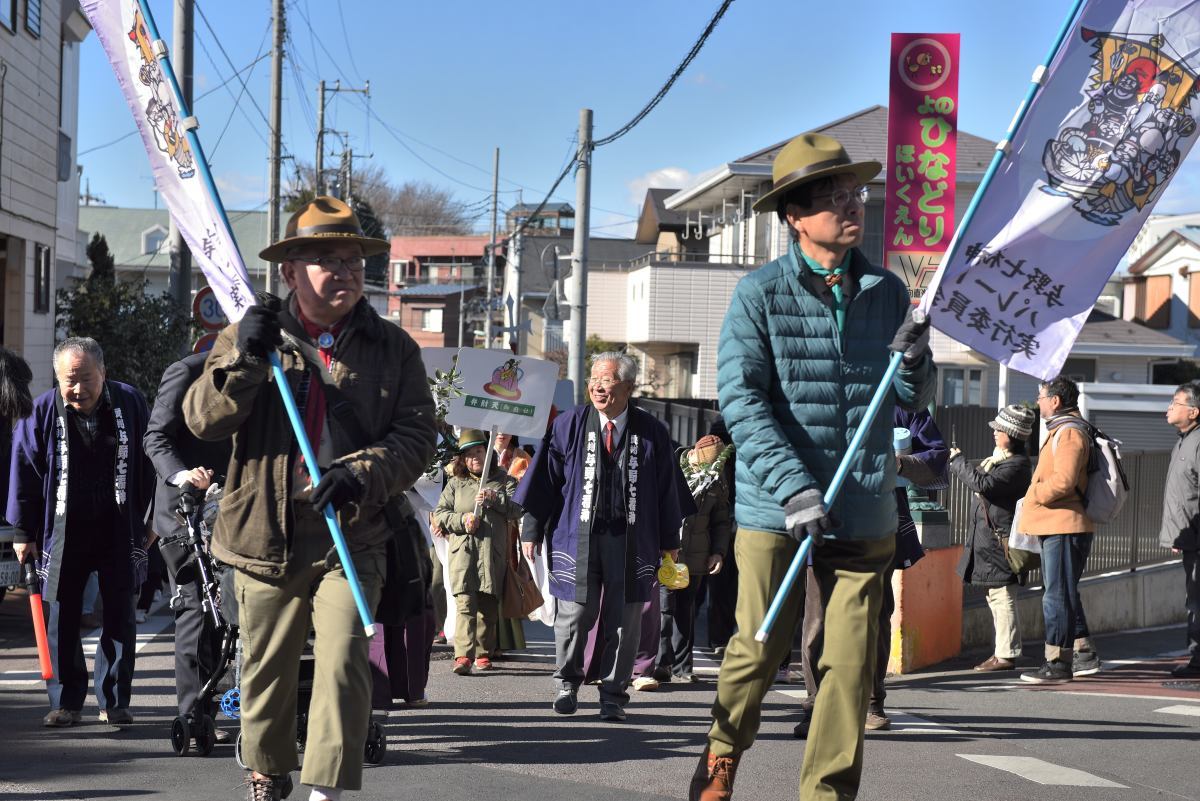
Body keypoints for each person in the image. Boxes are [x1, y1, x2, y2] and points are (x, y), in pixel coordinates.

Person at [689, 132, 934, 801]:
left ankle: (826, 793)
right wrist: (793, 485)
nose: (851, 205)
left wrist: (916, 358)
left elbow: (913, 399)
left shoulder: (887, 290)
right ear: (793, 215)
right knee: (758, 649)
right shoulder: (758, 294)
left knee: (850, 668)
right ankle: (721, 753)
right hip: (777, 510)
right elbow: (740, 399)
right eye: (832, 197)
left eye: (854, 193)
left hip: (864, 507)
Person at [183, 196, 437, 801]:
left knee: (348, 661)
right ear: (291, 271)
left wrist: (360, 471)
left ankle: (326, 790)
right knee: (264, 671)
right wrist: (244, 356)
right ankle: (268, 774)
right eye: (327, 260)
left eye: (354, 260)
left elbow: (418, 436)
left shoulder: (392, 348)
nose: (346, 272)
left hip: (354, 530)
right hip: (262, 531)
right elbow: (202, 421)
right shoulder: (249, 335)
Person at [515, 352, 691, 722]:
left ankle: (613, 694)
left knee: (626, 621)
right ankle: (567, 682)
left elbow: (667, 491)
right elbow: (546, 481)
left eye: (607, 379)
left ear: (628, 386)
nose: (597, 386)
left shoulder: (653, 431)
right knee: (575, 614)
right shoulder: (568, 424)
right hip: (576, 536)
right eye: (594, 378)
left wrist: (669, 541)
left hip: (633, 539)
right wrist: (531, 528)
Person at [8, 337, 154, 728]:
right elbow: (23, 469)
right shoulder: (40, 411)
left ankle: (115, 700)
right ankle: (65, 701)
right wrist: (22, 531)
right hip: (62, 529)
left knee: (120, 614)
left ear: (103, 372)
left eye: (86, 379)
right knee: (62, 616)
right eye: (68, 381)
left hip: (118, 525)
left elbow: (149, 457)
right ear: (57, 379)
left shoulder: (131, 401)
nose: (78, 389)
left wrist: (154, 519)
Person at [796, 407, 947, 737]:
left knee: (876, 616)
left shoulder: (898, 399)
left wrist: (901, 463)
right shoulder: (819, 387)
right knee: (818, 619)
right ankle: (816, 704)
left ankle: (871, 701)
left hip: (880, 519)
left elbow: (935, 454)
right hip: (824, 515)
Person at [142, 352, 234, 735]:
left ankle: (229, 704)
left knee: (231, 611)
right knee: (197, 606)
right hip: (188, 509)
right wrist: (182, 476)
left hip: (238, 505)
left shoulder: (275, 377)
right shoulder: (188, 371)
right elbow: (156, 436)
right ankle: (194, 714)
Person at [1019, 376, 1100, 685]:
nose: (1038, 402)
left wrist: (1033, 494)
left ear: (1055, 400)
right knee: (1062, 592)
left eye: (1041, 396)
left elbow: (1065, 481)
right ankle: (1081, 652)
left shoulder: (1068, 433)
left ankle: (1057, 662)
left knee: (1056, 595)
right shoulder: (1066, 429)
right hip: (1062, 523)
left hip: (1064, 525)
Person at [949, 404, 1036, 673]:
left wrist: (957, 462)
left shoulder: (1017, 465)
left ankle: (1006, 654)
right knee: (995, 596)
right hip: (992, 542)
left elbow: (984, 485)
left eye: (999, 429)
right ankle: (1003, 651)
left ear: (1011, 433)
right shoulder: (1002, 460)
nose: (995, 433)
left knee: (1002, 595)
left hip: (1001, 543)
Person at [433, 428, 522, 675]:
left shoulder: (504, 481)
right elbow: (440, 514)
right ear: (462, 459)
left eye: (479, 452)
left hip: (492, 552)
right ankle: (463, 655)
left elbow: (517, 509)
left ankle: (483, 652)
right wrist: (462, 521)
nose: (475, 458)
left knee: (488, 605)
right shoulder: (455, 484)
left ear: (488, 452)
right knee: (464, 602)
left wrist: (495, 499)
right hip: (463, 552)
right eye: (469, 454)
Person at [653, 434, 732, 685]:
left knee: (685, 610)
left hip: (697, 555)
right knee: (665, 608)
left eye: (714, 464)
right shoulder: (672, 468)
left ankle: (683, 667)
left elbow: (721, 520)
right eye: (704, 463)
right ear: (694, 454)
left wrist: (718, 552)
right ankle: (660, 663)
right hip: (667, 551)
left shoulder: (717, 479)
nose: (708, 468)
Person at [1159, 381, 1200, 678]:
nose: (1169, 408)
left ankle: (1198, 659)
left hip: (1197, 538)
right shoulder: (1183, 440)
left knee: (1197, 600)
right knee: (1194, 598)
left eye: (1176, 402)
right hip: (1190, 537)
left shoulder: (1197, 442)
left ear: (1194, 411)